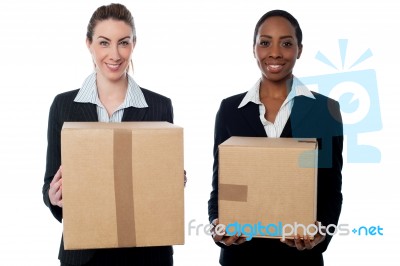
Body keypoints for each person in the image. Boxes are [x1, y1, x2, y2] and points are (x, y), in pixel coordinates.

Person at [42, 3, 178, 266]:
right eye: (104, 43)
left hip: (146, 254)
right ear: (89, 44)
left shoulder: (160, 106)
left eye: (123, 43)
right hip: (83, 255)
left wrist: (171, 183)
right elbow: (50, 180)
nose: (114, 54)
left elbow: (159, 192)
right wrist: (52, 196)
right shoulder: (63, 106)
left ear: (133, 45)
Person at [208, 9, 343, 265]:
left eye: (287, 43)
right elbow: (220, 187)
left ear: (299, 49)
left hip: (299, 258)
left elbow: (330, 190)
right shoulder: (229, 110)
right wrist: (217, 224)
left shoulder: (325, 112)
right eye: (265, 42)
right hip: (240, 257)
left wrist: (320, 235)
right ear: (254, 48)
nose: (275, 53)